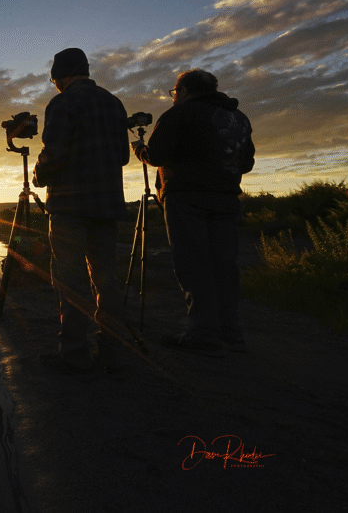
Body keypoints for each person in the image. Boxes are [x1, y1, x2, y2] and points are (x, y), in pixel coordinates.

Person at [132, 69, 254, 357]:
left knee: (194, 264)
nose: (174, 97)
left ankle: (204, 334)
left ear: (184, 91)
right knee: (225, 266)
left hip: (187, 198)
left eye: (174, 93)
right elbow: (246, 163)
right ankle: (230, 333)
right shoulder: (236, 117)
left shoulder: (178, 114)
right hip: (226, 198)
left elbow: (157, 155)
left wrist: (140, 150)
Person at [33, 47, 131, 374]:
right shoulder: (114, 103)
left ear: (60, 76)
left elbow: (54, 153)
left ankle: (74, 355)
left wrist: (38, 174)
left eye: (54, 80)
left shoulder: (63, 103)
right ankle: (113, 352)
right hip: (107, 204)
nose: (55, 85)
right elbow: (122, 156)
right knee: (107, 280)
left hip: (70, 206)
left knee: (70, 280)